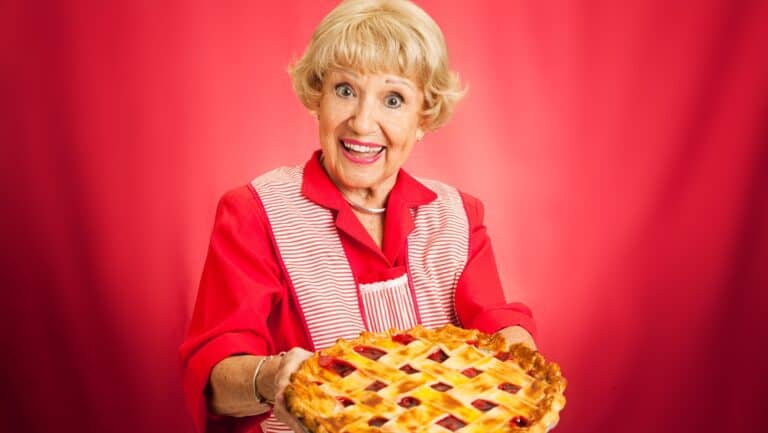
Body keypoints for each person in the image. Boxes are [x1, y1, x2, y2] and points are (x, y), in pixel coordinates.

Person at [179, 1, 537, 432]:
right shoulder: (255, 212)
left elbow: (495, 324)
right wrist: (274, 377)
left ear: (424, 116)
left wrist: (518, 353)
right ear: (318, 96)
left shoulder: (457, 216)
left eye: (393, 99)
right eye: (345, 90)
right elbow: (214, 380)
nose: (363, 123)